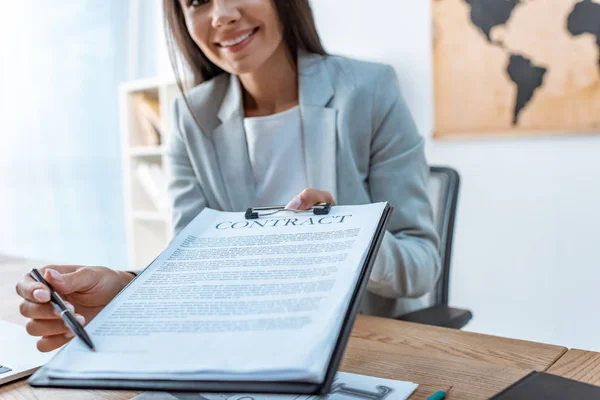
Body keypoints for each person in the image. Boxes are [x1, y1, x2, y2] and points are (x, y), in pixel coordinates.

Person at [15, 0, 440, 353]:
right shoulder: (190, 116)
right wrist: (124, 290)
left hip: (360, 346)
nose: (221, 14)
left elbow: (421, 265)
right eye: (197, 1)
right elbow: (193, 264)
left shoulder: (369, 90)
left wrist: (348, 235)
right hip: (245, 347)